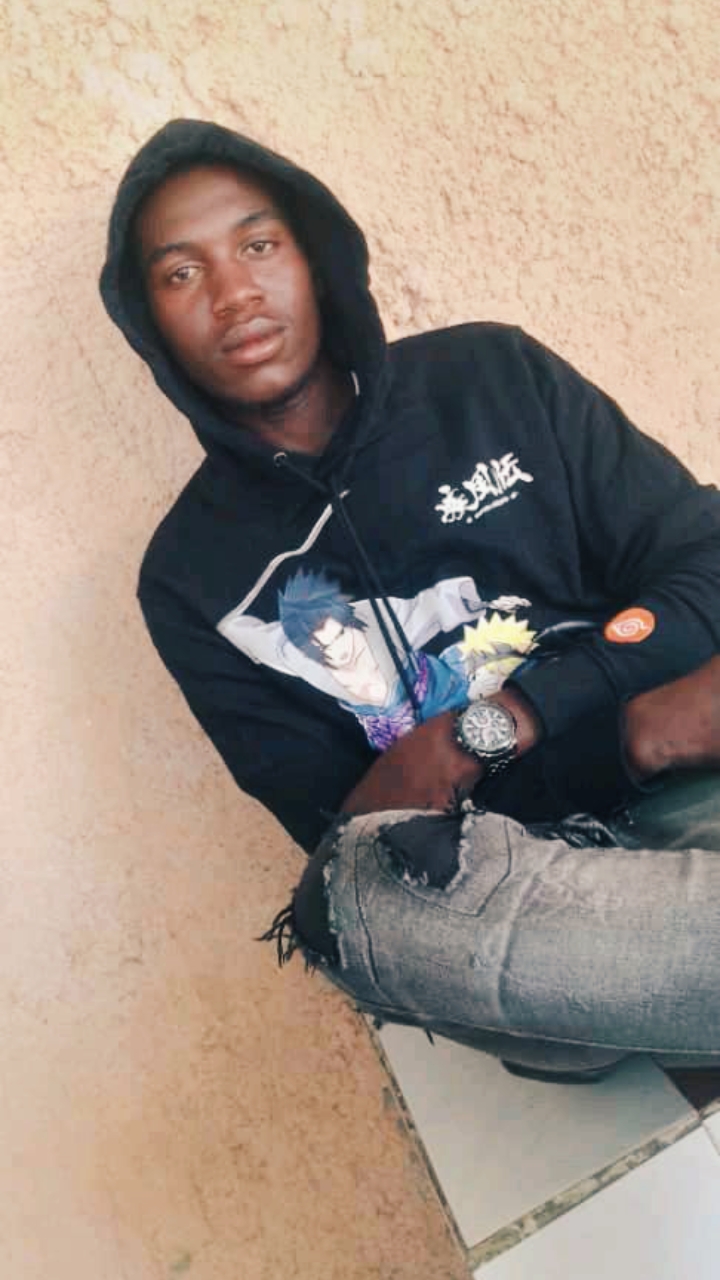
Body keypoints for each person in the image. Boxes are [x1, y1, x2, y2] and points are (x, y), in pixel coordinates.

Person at [100, 119, 720, 1081]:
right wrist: (626, 731)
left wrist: (522, 721)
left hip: (692, 786)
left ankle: (642, 999)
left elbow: (703, 563)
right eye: (182, 273)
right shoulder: (191, 578)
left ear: (315, 255)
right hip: (508, 897)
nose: (233, 294)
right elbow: (361, 834)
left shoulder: (492, 378)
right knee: (345, 904)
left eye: (258, 245)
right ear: (149, 321)